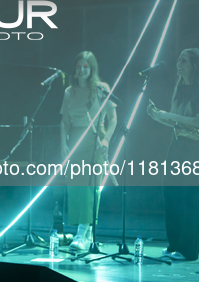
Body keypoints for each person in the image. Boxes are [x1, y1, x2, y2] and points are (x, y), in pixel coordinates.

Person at [147, 48, 199, 261]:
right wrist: (157, 115)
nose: (178, 64)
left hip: (194, 149)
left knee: (190, 199)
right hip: (177, 146)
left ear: (194, 65)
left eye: (183, 61)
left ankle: (188, 250)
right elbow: (175, 120)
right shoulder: (180, 88)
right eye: (179, 60)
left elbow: (198, 122)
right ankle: (174, 244)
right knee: (172, 195)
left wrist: (167, 115)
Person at [59, 51, 117, 250]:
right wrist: (63, 144)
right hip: (76, 141)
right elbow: (64, 121)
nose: (82, 70)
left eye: (86, 66)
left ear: (92, 69)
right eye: (78, 66)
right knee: (74, 186)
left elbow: (113, 118)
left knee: (90, 187)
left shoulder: (102, 89)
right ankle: (86, 231)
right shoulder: (69, 92)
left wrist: (107, 141)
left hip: (95, 140)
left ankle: (82, 233)